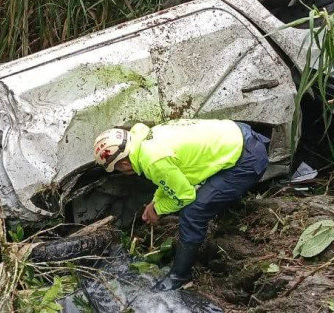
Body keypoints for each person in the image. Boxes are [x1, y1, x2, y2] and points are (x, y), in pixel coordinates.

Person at [92, 119, 270, 290]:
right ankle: (223, 216)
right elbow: (169, 181)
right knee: (203, 198)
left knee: (193, 212)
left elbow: (184, 195)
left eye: (117, 169)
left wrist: (158, 210)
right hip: (240, 134)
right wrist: (155, 202)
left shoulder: (153, 160)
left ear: (123, 163)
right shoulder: (146, 141)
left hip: (247, 160)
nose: (120, 173)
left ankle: (180, 277)